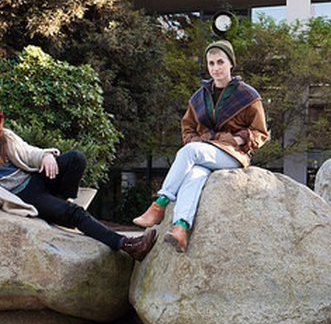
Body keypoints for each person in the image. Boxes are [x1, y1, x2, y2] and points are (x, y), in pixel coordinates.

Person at [133, 40, 269, 252]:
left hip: (233, 154)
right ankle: (181, 227)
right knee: (194, 174)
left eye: (220, 62)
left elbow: (261, 133)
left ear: (231, 64)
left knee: (190, 152)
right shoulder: (199, 97)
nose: (216, 68)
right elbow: (187, 129)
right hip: (205, 152)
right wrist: (197, 141)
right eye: (211, 63)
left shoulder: (247, 95)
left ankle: (160, 203)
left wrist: (239, 140)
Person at [0, 109, 156, 261]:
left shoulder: (6, 138)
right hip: (24, 194)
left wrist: (45, 156)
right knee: (74, 212)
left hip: (36, 179)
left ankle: (62, 204)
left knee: (75, 158)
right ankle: (127, 245)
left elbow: (29, 152)